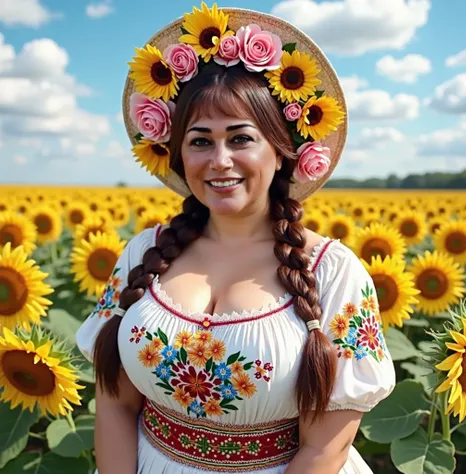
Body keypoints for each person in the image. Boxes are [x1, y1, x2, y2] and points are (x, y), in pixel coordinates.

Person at [75, 3, 396, 473]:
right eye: (200, 141)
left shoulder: (333, 270)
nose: (219, 161)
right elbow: (115, 403)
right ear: (179, 154)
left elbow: (325, 448)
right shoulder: (145, 251)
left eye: (241, 138)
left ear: (282, 150)